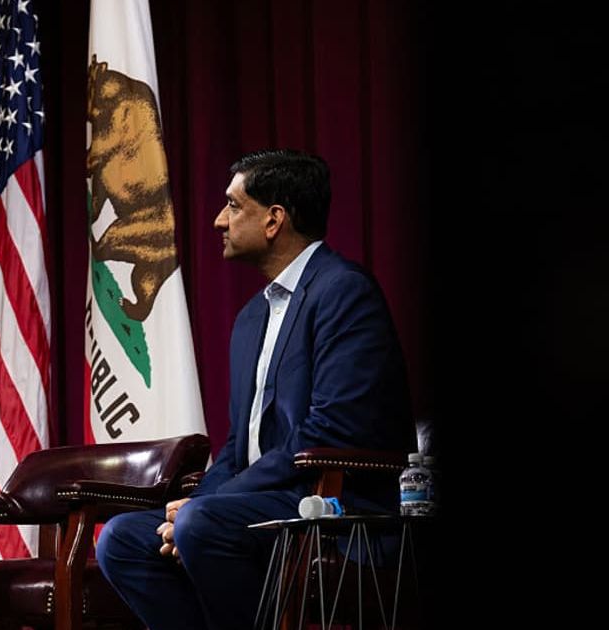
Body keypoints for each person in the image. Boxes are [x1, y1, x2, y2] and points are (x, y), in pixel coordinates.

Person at [95, 149, 416, 629]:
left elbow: (331, 428)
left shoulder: (343, 291)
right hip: (262, 499)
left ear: (274, 220)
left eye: (233, 205)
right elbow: (239, 447)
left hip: (330, 503)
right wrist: (197, 501)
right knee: (122, 539)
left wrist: (206, 506)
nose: (218, 220)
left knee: (200, 524)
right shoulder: (251, 318)